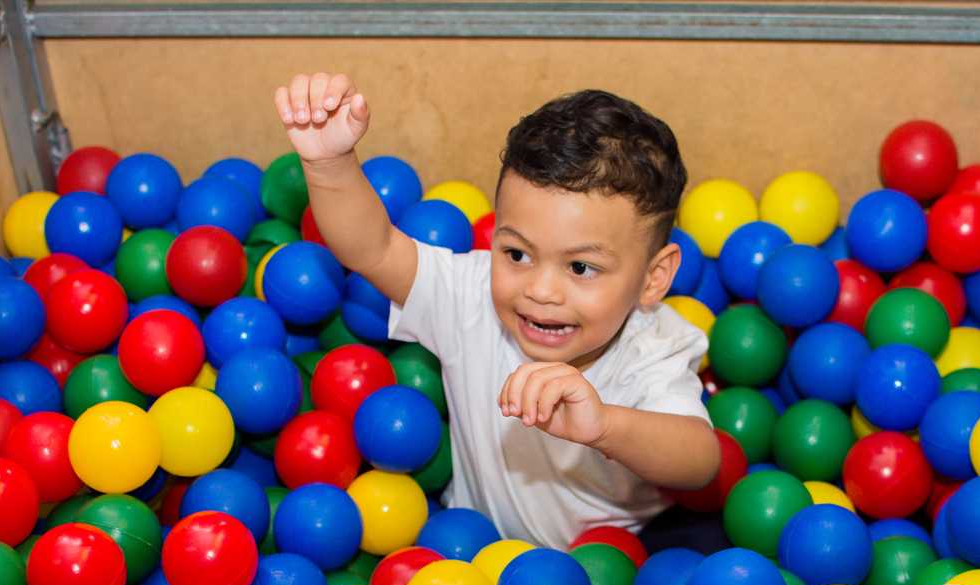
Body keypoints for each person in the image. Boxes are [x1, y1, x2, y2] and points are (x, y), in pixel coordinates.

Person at [274, 73, 721, 550]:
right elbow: (376, 248)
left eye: (581, 266)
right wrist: (328, 162)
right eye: (517, 254)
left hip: (606, 569)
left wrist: (605, 425)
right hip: (466, 554)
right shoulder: (470, 298)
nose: (542, 290)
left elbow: (699, 461)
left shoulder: (654, 345)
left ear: (653, 278)